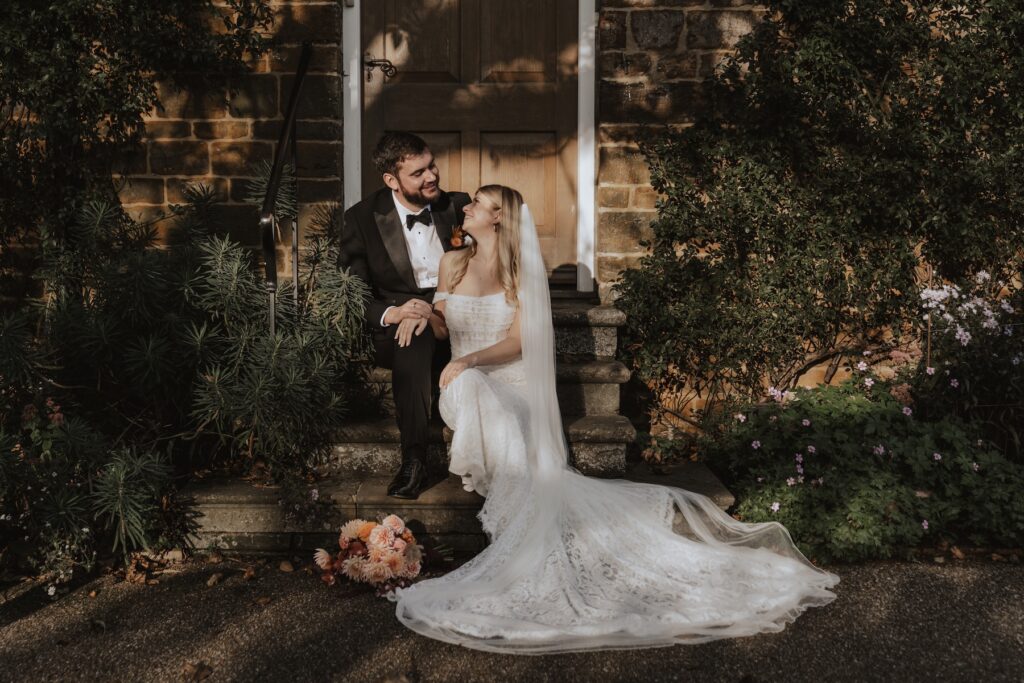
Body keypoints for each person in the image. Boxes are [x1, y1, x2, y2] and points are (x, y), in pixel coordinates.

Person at [390, 185, 840, 654]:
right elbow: (445, 326)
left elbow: (520, 343)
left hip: (509, 382)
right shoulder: (452, 262)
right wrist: (425, 313)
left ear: (499, 218)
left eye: (477, 203)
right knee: (474, 389)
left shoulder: (522, 272)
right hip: (462, 385)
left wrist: (471, 359)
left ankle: (522, 523)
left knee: (493, 398)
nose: (465, 208)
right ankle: (520, 509)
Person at [338, 132, 470, 499]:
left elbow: (481, 268)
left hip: (454, 318)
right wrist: (394, 313)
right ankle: (414, 457)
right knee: (413, 338)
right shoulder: (362, 218)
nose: (432, 177)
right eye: (419, 173)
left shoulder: (457, 207)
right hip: (397, 328)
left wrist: (433, 309)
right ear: (391, 180)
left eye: (432, 166)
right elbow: (351, 292)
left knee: (422, 330)